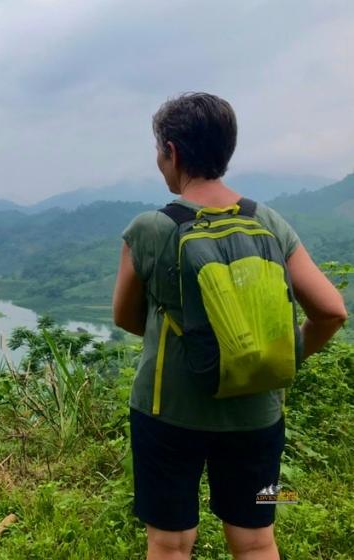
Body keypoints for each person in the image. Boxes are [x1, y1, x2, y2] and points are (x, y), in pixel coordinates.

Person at [113, 92, 347, 560]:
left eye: (159, 150)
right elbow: (332, 311)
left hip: (167, 411)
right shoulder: (270, 222)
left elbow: (125, 317)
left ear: (171, 152)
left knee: (170, 543)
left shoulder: (150, 229)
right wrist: (280, 355)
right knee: (257, 540)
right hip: (258, 415)